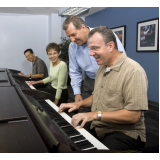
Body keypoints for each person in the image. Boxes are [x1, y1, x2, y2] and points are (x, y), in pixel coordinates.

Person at [58, 26, 148, 151]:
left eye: (95, 48)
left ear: (110, 46)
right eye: (90, 49)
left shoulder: (133, 71)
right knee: (68, 139)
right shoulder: (102, 67)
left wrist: (94, 115)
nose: (90, 53)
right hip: (101, 126)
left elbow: (133, 116)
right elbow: (98, 96)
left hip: (125, 133)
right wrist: (77, 104)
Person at [62, 15, 126, 112]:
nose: (72, 40)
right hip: (90, 81)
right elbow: (74, 71)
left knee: (107, 112)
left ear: (83, 27)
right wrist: (77, 93)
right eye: (69, 36)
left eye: (74, 34)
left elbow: (120, 59)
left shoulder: (105, 35)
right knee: (84, 113)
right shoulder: (72, 47)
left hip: (110, 78)